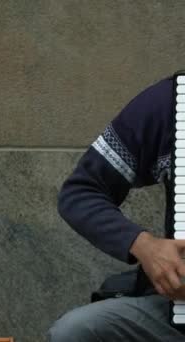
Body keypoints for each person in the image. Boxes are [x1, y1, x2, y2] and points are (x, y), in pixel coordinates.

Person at [47, 73, 185, 341]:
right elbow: (81, 192)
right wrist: (146, 247)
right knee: (76, 331)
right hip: (177, 318)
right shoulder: (169, 105)